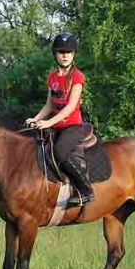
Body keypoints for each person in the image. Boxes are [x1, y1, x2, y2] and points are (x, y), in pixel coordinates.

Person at [25, 33, 95, 205]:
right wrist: (35, 119)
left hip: (73, 126)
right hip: (57, 126)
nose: (65, 55)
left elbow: (71, 106)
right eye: (61, 52)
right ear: (55, 54)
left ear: (74, 55)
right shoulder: (52, 78)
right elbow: (49, 105)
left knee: (59, 151)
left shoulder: (78, 77)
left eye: (68, 52)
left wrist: (48, 122)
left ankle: (85, 190)